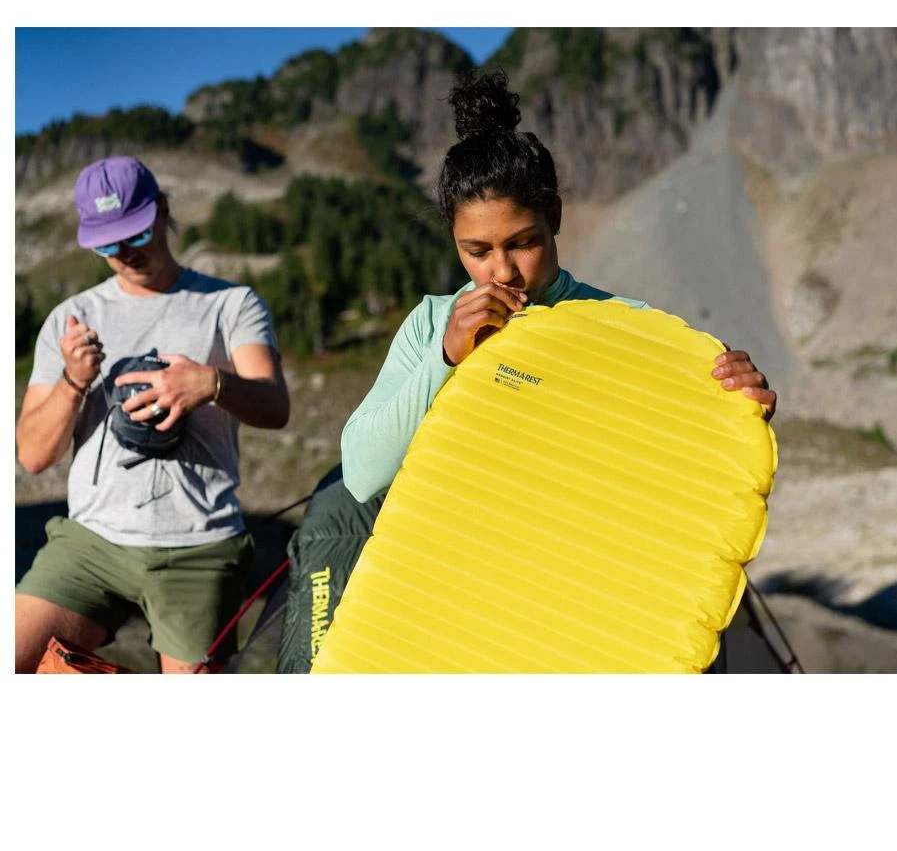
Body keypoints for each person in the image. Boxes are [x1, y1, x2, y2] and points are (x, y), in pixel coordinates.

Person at [277, 71, 776, 672]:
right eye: (477, 251)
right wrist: (446, 359)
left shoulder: (627, 326)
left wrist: (735, 406)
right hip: (454, 601)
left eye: (522, 243)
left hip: (564, 603)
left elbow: (676, 475)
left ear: (555, 217)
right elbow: (361, 475)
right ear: (453, 239)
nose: (503, 272)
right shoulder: (433, 324)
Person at [15, 156, 290, 673]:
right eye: (107, 244)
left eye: (135, 233)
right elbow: (31, 456)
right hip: (90, 544)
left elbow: (275, 407)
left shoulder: (231, 304)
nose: (124, 253)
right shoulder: (71, 320)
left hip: (199, 546)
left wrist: (210, 384)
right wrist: (74, 380)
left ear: (162, 210)